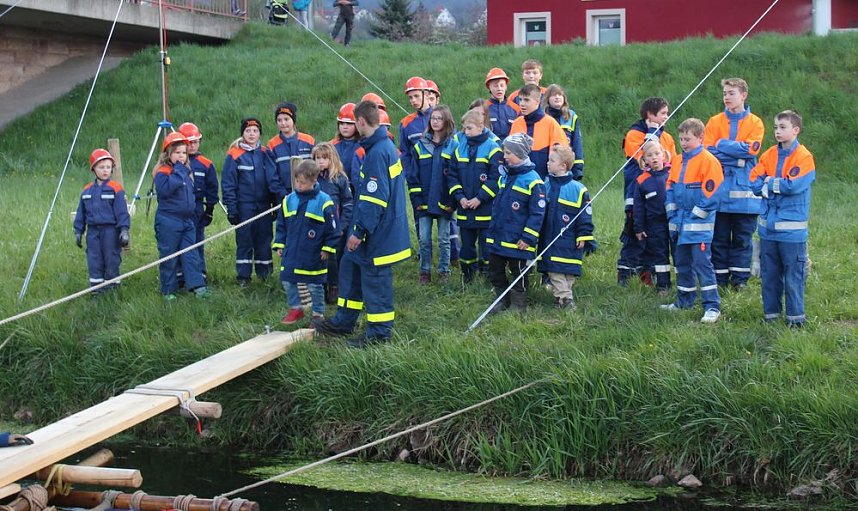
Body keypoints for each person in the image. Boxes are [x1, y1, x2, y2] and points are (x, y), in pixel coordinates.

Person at [312, 101, 411, 348]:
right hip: (373, 226)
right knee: (349, 266)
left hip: (378, 232)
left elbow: (373, 199)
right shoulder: (379, 146)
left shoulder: (378, 152)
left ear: (361, 122)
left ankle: (379, 332)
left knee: (375, 279)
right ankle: (344, 320)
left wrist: (359, 231)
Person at [749, 110, 815, 328]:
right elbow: (753, 182)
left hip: (792, 234)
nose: (777, 131)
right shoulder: (768, 155)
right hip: (768, 231)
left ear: (795, 130)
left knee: (793, 278)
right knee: (769, 276)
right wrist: (774, 183)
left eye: (782, 127)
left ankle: (796, 322)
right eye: (776, 127)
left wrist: (768, 182)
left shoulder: (804, 157)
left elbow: (793, 186)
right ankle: (771, 317)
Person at [705, 78, 765, 289]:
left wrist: (721, 145)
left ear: (743, 95)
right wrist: (737, 156)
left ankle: (740, 281)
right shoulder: (714, 122)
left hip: (745, 194)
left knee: (742, 239)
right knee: (719, 239)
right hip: (720, 193)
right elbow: (708, 152)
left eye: (731, 93)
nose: (727, 97)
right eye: (725, 93)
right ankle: (719, 280)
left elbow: (751, 150)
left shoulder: (755, 122)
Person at [662, 118, 723, 323]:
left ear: (700, 137)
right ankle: (684, 300)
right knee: (682, 263)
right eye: (681, 139)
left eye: (687, 139)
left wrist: (693, 214)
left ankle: (712, 306)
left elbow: (712, 194)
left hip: (698, 226)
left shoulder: (708, 160)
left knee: (702, 264)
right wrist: (672, 211)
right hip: (679, 223)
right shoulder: (678, 160)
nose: (684, 143)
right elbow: (670, 186)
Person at [618, 97, 678, 286]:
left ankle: (649, 273)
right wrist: (652, 131)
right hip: (636, 195)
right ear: (650, 115)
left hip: (661, 199)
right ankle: (625, 275)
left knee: (657, 240)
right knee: (633, 234)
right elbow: (642, 159)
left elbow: (673, 163)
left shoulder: (666, 137)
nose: (666, 117)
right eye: (663, 114)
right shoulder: (634, 134)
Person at [485, 133, 546, 311]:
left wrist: (528, 237)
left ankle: (518, 304)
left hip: (518, 241)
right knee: (495, 269)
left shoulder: (533, 181)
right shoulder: (504, 176)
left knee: (518, 272)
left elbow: (537, 213)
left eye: (508, 153)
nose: (504, 156)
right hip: (499, 236)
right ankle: (501, 299)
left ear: (520, 154)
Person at [273, 160, 339, 325]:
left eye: (303, 182)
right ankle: (296, 308)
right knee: (288, 279)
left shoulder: (325, 201)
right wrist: (280, 244)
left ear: (314, 181)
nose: (299, 185)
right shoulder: (288, 200)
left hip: (314, 254)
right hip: (292, 251)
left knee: (315, 286)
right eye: (297, 181)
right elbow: (281, 225)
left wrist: (327, 248)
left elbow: (333, 230)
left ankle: (318, 315)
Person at [222, 117, 285, 287]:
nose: (251, 134)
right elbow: (228, 184)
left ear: (260, 134)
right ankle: (243, 277)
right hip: (244, 206)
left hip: (263, 206)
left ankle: (265, 276)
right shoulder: (234, 155)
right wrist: (232, 208)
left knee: (264, 240)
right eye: (248, 131)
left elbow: (272, 179)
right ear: (242, 133)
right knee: (245, 241)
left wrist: (274, 204)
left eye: (255, 131)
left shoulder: (265, 153)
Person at [153, 132, 211, 300]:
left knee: (191, 254)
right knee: (169, 255)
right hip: (168, 221)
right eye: (177, 152)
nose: (181, 156)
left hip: (187, 220)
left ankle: (197, 286)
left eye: (184, 153)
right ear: (168, 153)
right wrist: (179, 170)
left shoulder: (186, 172)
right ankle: (168, 290)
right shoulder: (163, 172)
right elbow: (166, 190)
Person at [447, 108, 502, 283]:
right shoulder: (459, 148)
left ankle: (487, 276)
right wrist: (460, 197)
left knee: (486, 246)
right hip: (465, 208)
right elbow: (452, 175)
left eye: (469, 128)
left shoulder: (493, 148)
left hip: (485, 208)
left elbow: (496, 179)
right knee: (467, 247)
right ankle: (467, 276)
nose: (465, 132)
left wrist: (480, 198)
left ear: (480, 126)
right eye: (464, 128)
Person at [538, 145, 593, 309]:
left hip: (570, 240)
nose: (548, 163)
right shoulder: (545, 186)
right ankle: (566, 298)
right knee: (554, 269)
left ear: (563, 166)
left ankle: (561, 299)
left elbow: (585, 215)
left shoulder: (578, 190)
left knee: (569, 271)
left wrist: (584, 235)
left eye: (552, 160)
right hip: (550, 238)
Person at [408, 104, 456, 284]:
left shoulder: (453, 145)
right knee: (425, 239)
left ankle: (444, 270)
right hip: (424, 201)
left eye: (439, 118)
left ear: (447, 121)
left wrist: (453, 200)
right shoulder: (420, 146)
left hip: (445, 200)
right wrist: (417, 199)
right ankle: (425, 271)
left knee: (444, 238)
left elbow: (456, 176)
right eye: (433, 118)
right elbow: (413, 176)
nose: (435, 122)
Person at [74, 148, 131, 293]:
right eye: (101, 167)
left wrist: (124, 230)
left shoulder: (116, 189)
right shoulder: (86, 191)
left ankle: (112, 289)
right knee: (94, 260)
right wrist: (78, 231)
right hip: (93, 233)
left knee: (111, 259)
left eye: (108, 167)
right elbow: (81, 213)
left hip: (110, 232)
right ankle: (97, 290)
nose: (105, 170)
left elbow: (122, 212)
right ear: (93, 169)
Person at [312, 142, 353, 304]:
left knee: (333, 258)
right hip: (316, 226)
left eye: (324, 158)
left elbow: (348, 204)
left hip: (335, 227)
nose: (320, 161)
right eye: (317, 158)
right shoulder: (312, 180)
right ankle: (319, 288)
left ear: (332, 159)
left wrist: (342, 226)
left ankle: (334, 287)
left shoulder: (340, 179)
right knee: (318, 257)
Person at [178, 122, 219, 280]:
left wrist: (209, 210)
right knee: (179, 241)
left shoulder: (206, 164)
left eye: (196, 142)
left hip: (197, 207)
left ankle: (199, 273)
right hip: (180, 208)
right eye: (189, 143)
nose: (193, 146)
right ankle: (180, 275)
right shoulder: (175, 163)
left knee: (196, 241)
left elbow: (212, 189)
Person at [632, 141, 672, 293]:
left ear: (664, 154)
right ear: (644, 160)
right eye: (649, 155)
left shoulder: (672, 173)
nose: (654, 158)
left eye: (657, 153)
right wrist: (639, 227)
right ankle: (663, 286)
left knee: (679, 253)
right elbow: (638, 207)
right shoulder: (642, 180)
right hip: (655, 225)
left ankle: (685, 286)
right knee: (660, 255)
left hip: (674, 221)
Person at [509, 84, 568, 179]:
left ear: (537, 101)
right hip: (519, 180)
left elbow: (561, 157)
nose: (522, 104)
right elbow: (510, 154)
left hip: (544, 181)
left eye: (526, 100)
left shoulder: (550, 123)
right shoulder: (517, 123)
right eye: (520, 100)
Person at [268, 102, 315, 198]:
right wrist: (283, 194)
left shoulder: (309, 141)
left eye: (286, 119)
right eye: (279, 120)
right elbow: (271, 176)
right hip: (284, 196)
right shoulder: (272, 145)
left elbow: (317, 167)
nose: (283, 123)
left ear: (293, 120)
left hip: (308, 193)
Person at [542, 84, 584, 180]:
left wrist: (578, 167)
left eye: (560, 95)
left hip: (566, 166)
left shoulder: (572, 116)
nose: (557, 97)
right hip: (547, 166)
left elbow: (577, 143)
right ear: (547, 99)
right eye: (553, 95)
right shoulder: (542, 117)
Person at [399, 77, 433, 189]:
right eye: (410, 97)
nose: (413, 100)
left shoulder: (442, 116)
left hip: (440, 176)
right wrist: (409, 175)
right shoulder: (405, 123)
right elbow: (405, 153)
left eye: (416, 96)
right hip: (417, 179)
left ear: (427, 94)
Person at [332, 103, 360, 195]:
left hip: (357, 190)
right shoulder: (331, 146)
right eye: (341, 123)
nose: (345, 126)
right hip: (337, 191)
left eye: (349, 123)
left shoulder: (363, 145)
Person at [484, 67, 518, 141]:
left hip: (510, 149)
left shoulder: (516, 109)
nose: (499, 89)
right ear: (489, 87)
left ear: (506, 87)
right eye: (495, 86)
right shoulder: (483, 108)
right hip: (490, 148)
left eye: (502, 85)